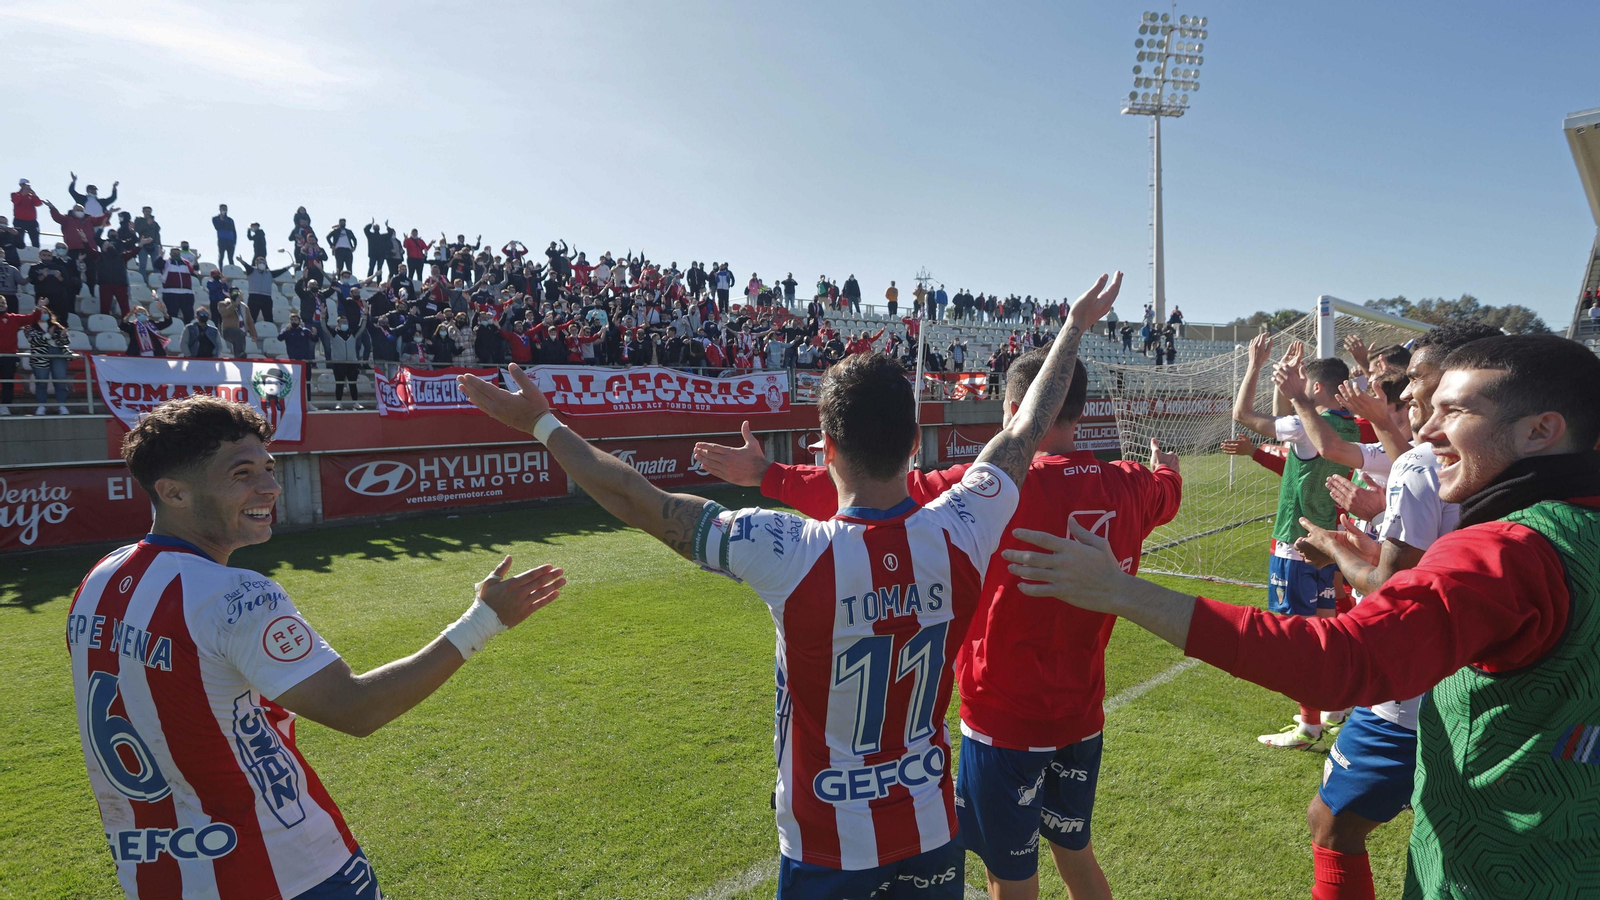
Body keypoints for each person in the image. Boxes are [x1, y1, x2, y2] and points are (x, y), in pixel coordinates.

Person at [457, 274, 1123, 899]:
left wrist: (541, 424)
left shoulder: (787, 549)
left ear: (825, 449)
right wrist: (1072, 327)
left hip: (825, 849)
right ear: (916, 444)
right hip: (929, 837)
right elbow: (1027, 427)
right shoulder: (963, 529)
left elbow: (634, 497)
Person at [1006, 333, 1600, 900]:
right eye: (1429, 405)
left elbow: (1345, 660)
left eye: (1456, 412)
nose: (1429, 431)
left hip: (1503, 869)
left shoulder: (1510, 550)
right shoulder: (1575, 527)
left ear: (1541, 431)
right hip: (1570, 849)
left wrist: (1123, 592)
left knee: (1332, 824)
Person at [694, 337, 1179, 900]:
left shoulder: (992, 490)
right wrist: (1164, 470)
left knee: (1011, 877)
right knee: (1078, 856)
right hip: (1083, 717)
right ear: (1081, 408)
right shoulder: (1130, 483)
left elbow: (878, 501)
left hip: (1005, 724)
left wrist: (769, 475)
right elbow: (1168, 491)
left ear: (1017, 413)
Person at [68, 396, 566, 900]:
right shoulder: (233, 594)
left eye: (268, 467)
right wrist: (483, 620)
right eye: (242, 473)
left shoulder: (100, 578)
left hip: (157, 878)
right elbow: (356, 708)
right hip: (287, 872)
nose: (270, 486)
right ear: (173, 492)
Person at [1232, 335, 1358, 748]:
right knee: (1327, 626)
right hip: (1330, 541)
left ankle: (1309, 727)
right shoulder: (1350, 425)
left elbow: (1243, 414)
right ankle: (1334, 706)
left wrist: (1255, 365)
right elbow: (1284, 423)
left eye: (1303, 383)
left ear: (1316, 388)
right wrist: (1282, 384)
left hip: (1295, 542)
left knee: (1299, 638)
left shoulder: (1306, 425)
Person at [24, 306, 74, 415]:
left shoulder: (57, 326)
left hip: (58, 354)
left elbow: (65, 342)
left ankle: (62, 405)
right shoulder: (29, 327)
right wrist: (48, 335)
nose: (43, 314)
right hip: (40, 356)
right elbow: (33, 340)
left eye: (46, 312)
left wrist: (62, 335)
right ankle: (41, 406)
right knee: (41, 382)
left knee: (60, 381)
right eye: (41, 312)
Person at [0, 296, 44, 414]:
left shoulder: (14, 318)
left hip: (9, 356)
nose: (1, 304)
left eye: (3, 302)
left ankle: (5, 406)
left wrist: (39, 307)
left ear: (7, 305)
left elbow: (33, 318)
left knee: (8, 382)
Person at [160, 247, 198, 323]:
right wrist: (160, 255)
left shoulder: (186, 263)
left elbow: (195, 273)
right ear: (170, 254)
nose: (176, 255)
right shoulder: (166, 262)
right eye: (174, 253)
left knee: (189, 316)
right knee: (172, 314)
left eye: (178, 253)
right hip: (170, 293)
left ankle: (188, 332)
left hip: (186, 293)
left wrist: (196, 261)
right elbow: (157, 265)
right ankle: (174, 330)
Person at [134, 206, 162, 277]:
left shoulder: (155, 223)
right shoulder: (138, 220)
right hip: (143, 244)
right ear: (143, 212)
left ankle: (157, 280)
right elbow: (138, 230)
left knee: (156, 265)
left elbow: (157, 234)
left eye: (149, 212)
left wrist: (159, 245)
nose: (148, 213)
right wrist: (147, 224)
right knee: (142, 264)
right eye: (146, 211)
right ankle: (142, 280)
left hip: (154, 244)